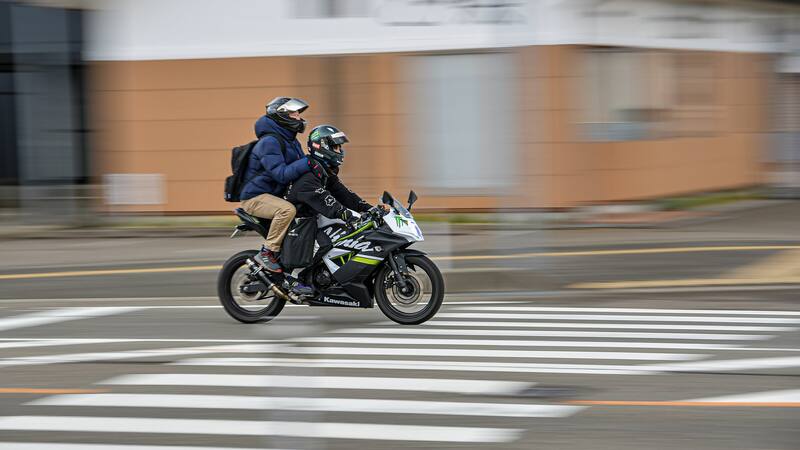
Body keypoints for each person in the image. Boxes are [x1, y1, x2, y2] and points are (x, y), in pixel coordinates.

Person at [239, 97, 311, 273]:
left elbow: (304, 168)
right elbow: (281, 174)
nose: (298, 117)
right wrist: (309, 161)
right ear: (281, 115)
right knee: (286, 210)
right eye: (293, 113)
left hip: (274, 195)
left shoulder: (290, 141)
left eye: (298, 113)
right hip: (255, 198)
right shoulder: (269, 142)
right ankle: (267, 251)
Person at [285, 124, 380, 230]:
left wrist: (370, 208)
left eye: (340, 147)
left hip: (313, 221)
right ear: (322, 147)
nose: (340, 151)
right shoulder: (308, 175)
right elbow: (324, 200)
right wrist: (347, 214)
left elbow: (344, 194)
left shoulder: (323, 171)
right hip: (298, 228)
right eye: (336, 147)